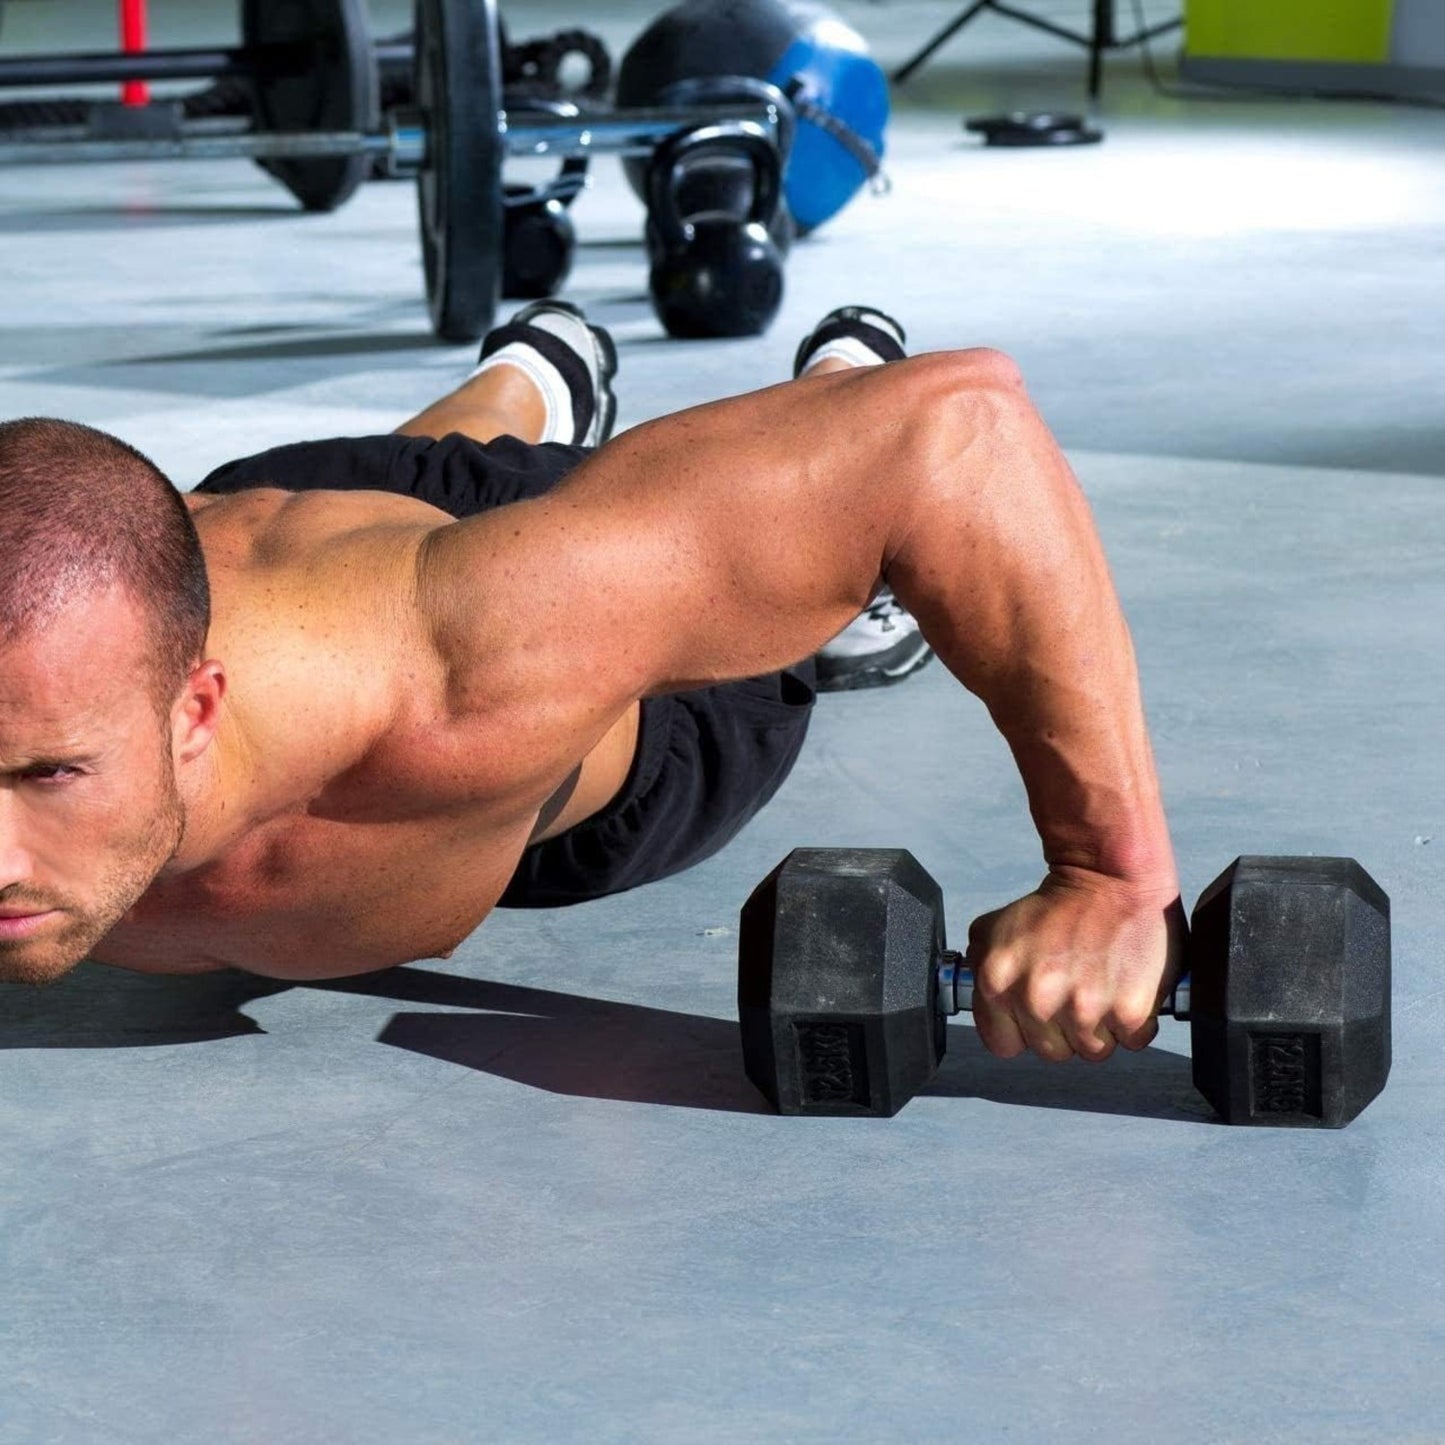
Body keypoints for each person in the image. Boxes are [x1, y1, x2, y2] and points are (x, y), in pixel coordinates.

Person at [0, 304, 1184, 1064]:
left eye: (51, 773)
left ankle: (834, 378)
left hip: (597, 735)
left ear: (193, 709)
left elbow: (955, 432)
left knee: (767, 549)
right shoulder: (98, 655)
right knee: (422, 466)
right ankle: (536, 366)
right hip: (281, 507)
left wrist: (1109, 877)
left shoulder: (468, 677)